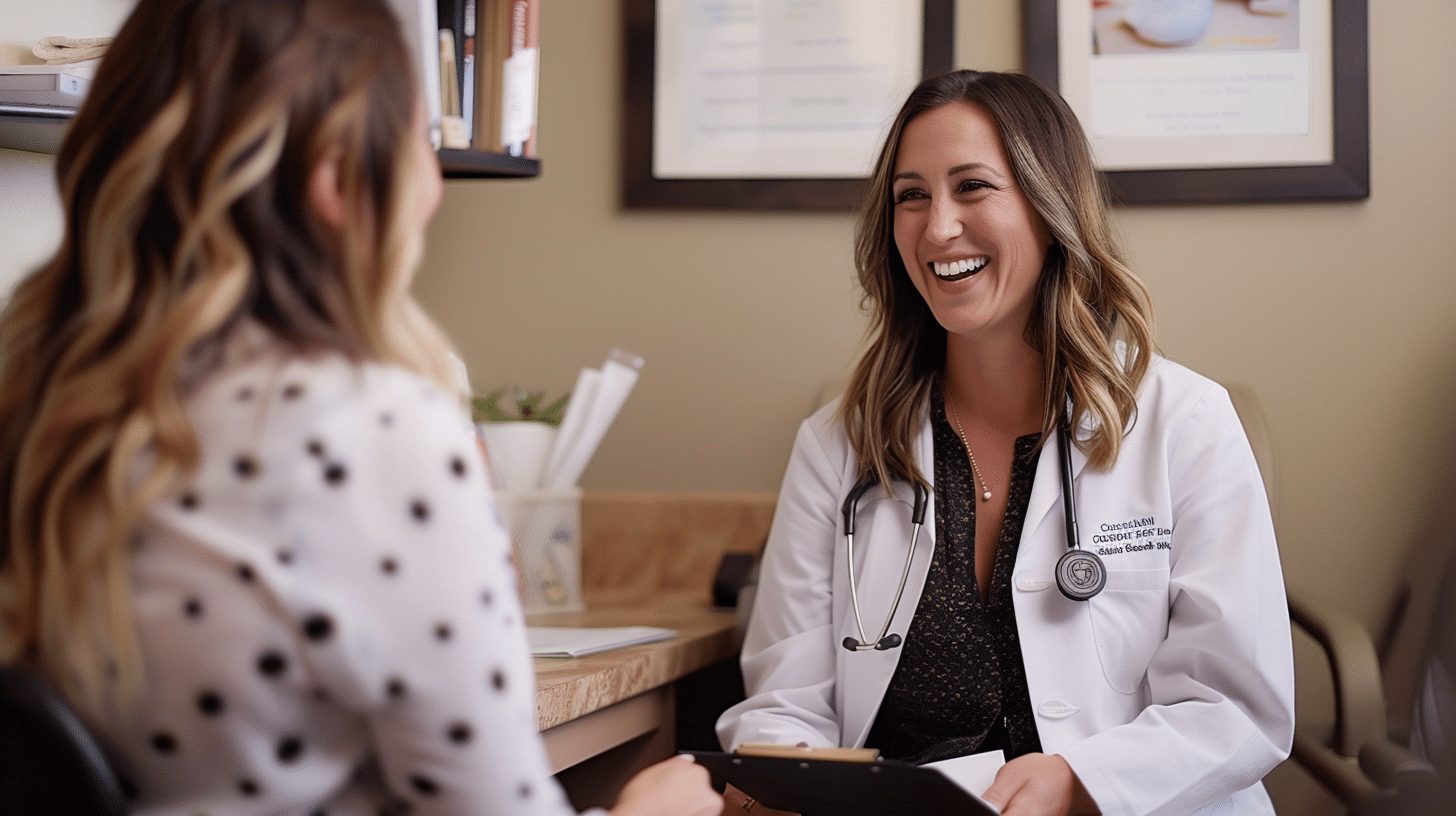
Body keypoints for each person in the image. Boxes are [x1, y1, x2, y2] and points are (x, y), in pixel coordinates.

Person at [0, 2, 721, 816]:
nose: (434, 187)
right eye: (420, 139)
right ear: (340, 181)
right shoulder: (368, 431)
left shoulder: (33, 407)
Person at [716, 69, 1294, 816]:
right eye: (911, 195)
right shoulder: (840, 444)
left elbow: (1238, 706)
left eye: (973, 186)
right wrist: (788, 776)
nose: (937, 227)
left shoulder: (1187, 422)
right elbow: (787, 702)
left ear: (1051, 207)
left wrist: (1081, 780)